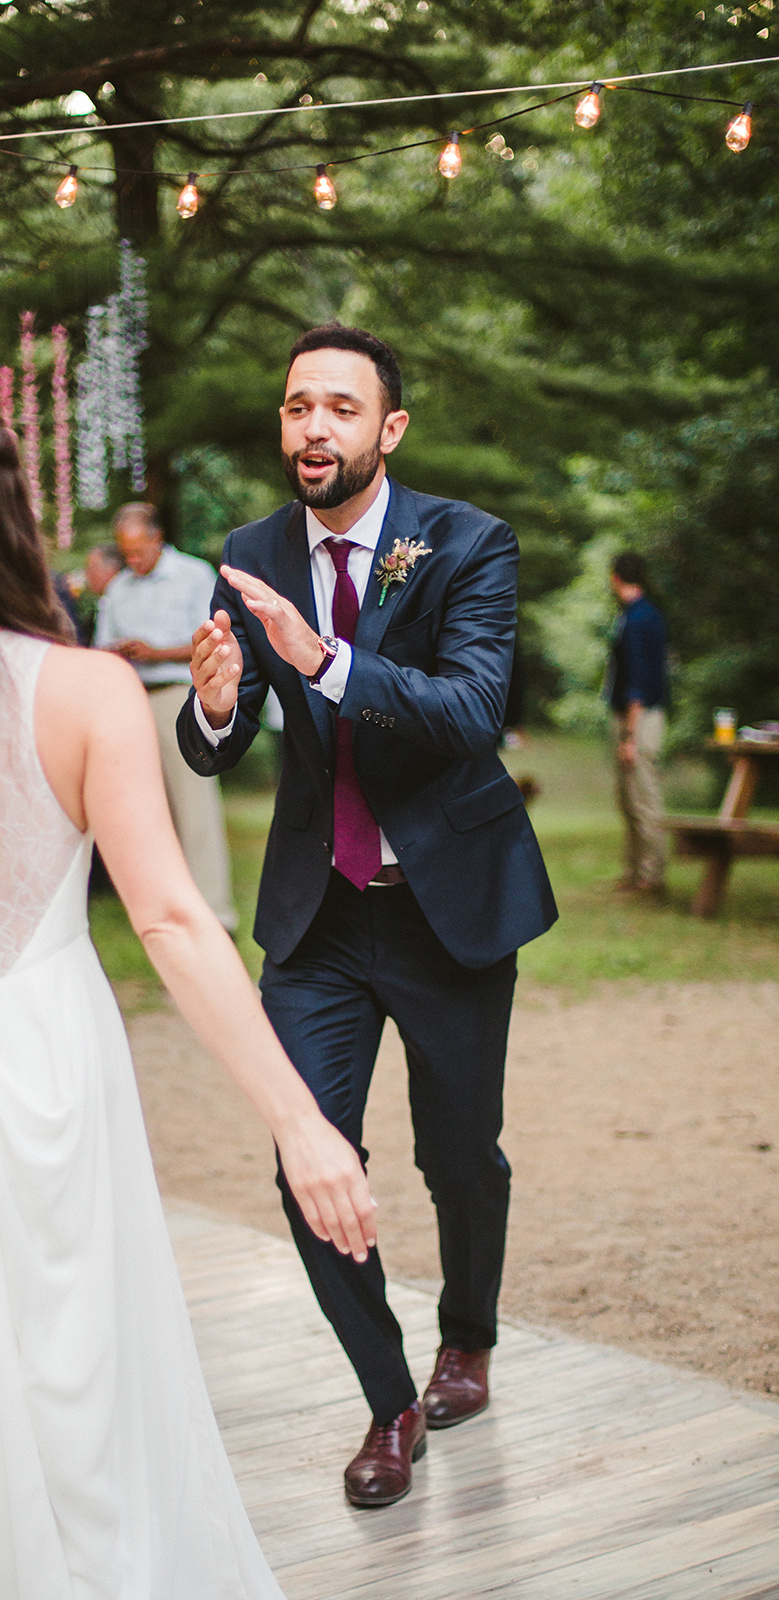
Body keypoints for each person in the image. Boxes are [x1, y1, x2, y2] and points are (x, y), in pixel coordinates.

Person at [0, 398, 376, 1600]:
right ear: (13, 526)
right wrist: (300, 1120)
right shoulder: (90, 689)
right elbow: (168, 920)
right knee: (64, 1378)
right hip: (42, 1057)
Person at [177, 324, 557, 1509]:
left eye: (340, 408)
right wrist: (213, 707)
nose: (312, 428)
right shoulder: (247, 550)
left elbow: (468, 710)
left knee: (460, 1158)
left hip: (446, 906)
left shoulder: (465, 542)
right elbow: (220, 740)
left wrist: (323, 658)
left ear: (386, 430)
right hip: (320, 918)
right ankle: (388, 1400)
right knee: (309, 1164)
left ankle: (467, 1338)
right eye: (297, 407)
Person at [96, 503, 237, 931]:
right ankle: (165, 911)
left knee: (195, 805)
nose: (132, 560)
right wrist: (119, 652)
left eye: (138, 550)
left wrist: (155, 652)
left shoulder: (193, 575)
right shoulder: (118, 588)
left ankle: (215, 913)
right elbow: (101, 644)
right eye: (126, 552)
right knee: (148, 809)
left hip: (181, 694)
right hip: (133, 699)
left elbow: (216, 639)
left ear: (157, 538)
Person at [607, 551, 669, 895]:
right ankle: (634, 871)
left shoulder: (640, 619)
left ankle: (652, 875)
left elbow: (639, 682)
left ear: (615, 577)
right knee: (628, 797)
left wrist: (629, 735)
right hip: (634, 717)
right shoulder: (638, 615)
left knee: (644, 796)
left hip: (640, 719)